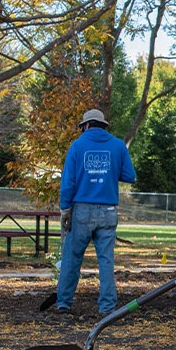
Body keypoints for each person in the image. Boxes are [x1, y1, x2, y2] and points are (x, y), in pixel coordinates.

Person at [55, 109, 136, 315]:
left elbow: (68, 181)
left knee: (72, 258)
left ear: (87, 125)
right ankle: (107, 306)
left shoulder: (78, 145)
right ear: (103, 125)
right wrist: (109, 172)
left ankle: (64, 301)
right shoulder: (117, 145)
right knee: (106, 260)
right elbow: (130, 175)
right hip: (108, 209)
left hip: (81, 209)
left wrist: (65, 208)